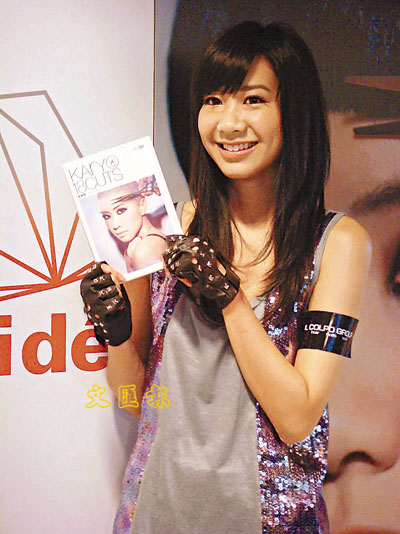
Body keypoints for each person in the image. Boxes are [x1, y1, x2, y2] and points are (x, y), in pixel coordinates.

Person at [80, 21, 371, 533]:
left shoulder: (338, 242)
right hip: (155, 512)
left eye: (253, 100)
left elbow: (297, 417)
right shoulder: (168, 230)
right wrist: (118, 335)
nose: (229, 123)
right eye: (213, 101)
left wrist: (229, 298)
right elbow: (129, 398)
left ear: (293, 111)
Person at [97, 177, 166, 272]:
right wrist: (129, 260)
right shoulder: (133, 250)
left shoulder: (144, 249)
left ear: (142, 206)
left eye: (121, 210)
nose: (115, 225)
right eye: (106, 216)